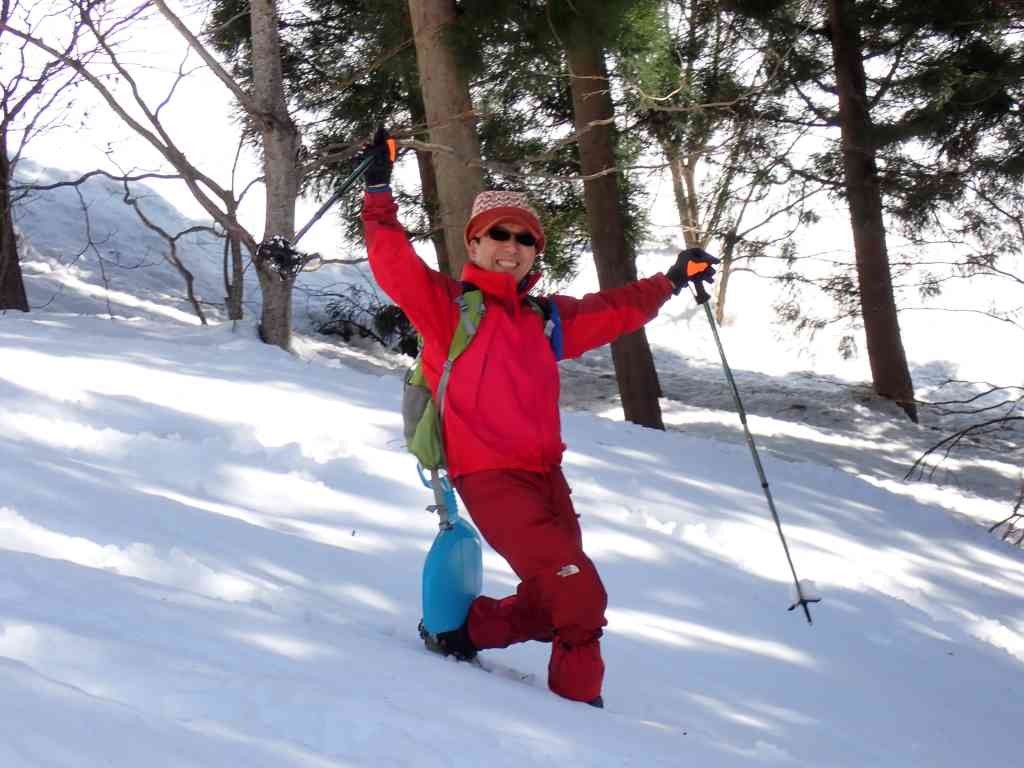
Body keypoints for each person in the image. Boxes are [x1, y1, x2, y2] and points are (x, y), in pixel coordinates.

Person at [360, 129, 718, 708]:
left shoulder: (544, 320)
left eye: (524, 237)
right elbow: (394, 262)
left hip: (547, 478)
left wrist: (673, 280)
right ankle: (582, 722)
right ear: (474, 244)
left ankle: (463, 631)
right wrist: (378, 190)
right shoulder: (450, 309)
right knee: (581, 601)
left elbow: (614, 310)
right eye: (497, 233)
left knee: (558, 597)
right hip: (490, 480)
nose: (511, 244)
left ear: (535, 252)